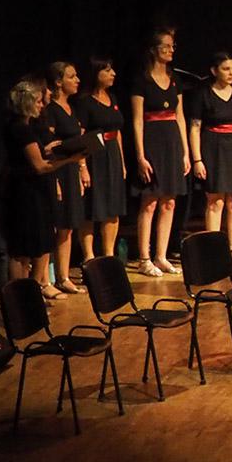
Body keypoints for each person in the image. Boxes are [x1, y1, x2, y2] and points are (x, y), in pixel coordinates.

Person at [1, 78, 87, 299]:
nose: (41, 105)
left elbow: (35, 155)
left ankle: (31, 296)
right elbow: (38, 166)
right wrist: (70, 159)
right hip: (24, 193)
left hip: (34, 191)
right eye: (38, 101)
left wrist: (49, 148)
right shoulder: (20, 128)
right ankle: (21, 300)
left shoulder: (24, 126)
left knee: (36, 244)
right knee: (22, 249)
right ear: (27, 102)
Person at [130, 28, 191, 276]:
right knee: (150, 202)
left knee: (170, 201)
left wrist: (186, 153)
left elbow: (180, 117)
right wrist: (141, 156)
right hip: (152, 141)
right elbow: (137, 120)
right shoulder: (141, 80)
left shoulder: (174, 79)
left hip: (173, 143)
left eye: (173, 46)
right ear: (154, 49)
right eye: (166, 46)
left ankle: (161, 255)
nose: (171, 50)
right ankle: (144, 258)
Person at [189, 52, 232, 256]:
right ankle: (213, 251)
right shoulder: (203, 94)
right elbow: (195, 128)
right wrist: (197, 160)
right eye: (226, 69)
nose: (231, 73)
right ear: (214, 71)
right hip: (214, 148)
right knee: (215, 200)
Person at [72, 56, 127, 264]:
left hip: (112, 153)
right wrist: (82, 166)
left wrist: (121, 162)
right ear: (96, 74)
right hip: (94, 156)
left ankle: (109, 256)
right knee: (92, 207)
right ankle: (89, 258)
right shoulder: (85, 102)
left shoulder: (112, 98)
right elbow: (81, 135)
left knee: (113, 208)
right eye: (107, 71)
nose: (113, 74)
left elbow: (117, 132)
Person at [42, 63, 90, 294]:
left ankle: (63, 276)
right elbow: (48, 148)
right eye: (72, 76)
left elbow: (78, 143)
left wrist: (82, 169)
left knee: (68, 226)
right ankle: (45, 280)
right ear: (59, 82)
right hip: (56, 171)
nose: (77, 79)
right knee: (54, 225)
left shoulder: (72, 107)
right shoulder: (50, 109)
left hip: (71, 170)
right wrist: (56, 179)